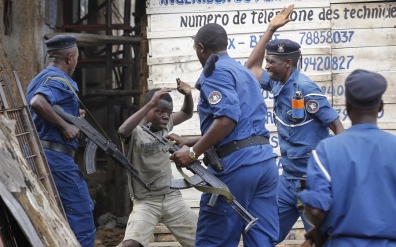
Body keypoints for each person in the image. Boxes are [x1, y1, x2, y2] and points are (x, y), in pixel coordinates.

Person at [168, 23, 279, 247]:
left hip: (236, 168)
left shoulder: (215, 72)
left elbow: (228, 119)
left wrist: (192, 152)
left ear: (200, 47)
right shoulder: (243, 72)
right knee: (261, 240)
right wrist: (191, 141)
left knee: (214, 240)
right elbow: (240, 129)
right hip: (265, 165)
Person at [245, 4, 345, 243]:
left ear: (287, 63)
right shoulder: (276, 82)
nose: (267, 66)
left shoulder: (307, 90)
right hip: (287, 182)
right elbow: (251, 68)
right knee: (262, 235)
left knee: (322, 241)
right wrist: (270, 29)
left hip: (313, 184)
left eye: (272, 62)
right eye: (268, 61)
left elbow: (338, 128)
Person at [298, 69, 396, 246]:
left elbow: (315, 210)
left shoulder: (327, 150)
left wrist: (326, 229)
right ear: (381, 106)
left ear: (347, 107)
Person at [26, 34, 96, 247]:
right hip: (57, 159)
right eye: (76, 57)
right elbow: (38, 102)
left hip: (41, 155)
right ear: (70, 58)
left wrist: (72, 116)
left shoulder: (41, 77)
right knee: (82, 214)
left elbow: (43, 105)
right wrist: (65, 126)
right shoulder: (59, 80)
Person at [118, 83, 197, 247]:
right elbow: (122, 131)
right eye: (159, 111)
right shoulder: (136, 131)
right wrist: (150, 103)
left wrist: (188, 95)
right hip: (146, 202)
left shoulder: (166, 125)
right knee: (131, 244)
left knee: (202, 241)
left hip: (172, 198)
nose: (165, 116)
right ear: (148, 108)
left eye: (168, 112)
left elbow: (187, 113)